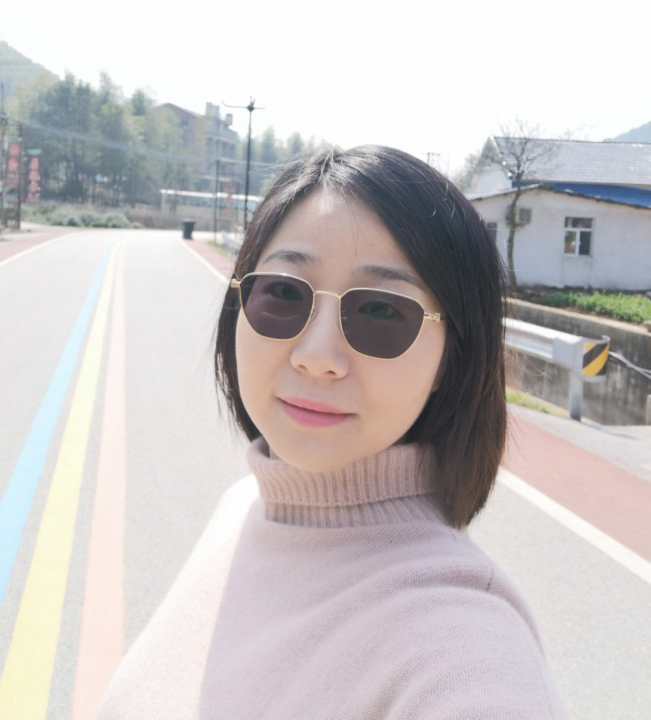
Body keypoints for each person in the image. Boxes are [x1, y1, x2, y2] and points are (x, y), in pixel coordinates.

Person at [99, 146, 566, 719]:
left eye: (381, 312)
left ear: (454, 358)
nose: (317, 356)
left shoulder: (465, 650)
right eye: (283, 292)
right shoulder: (243, 507)